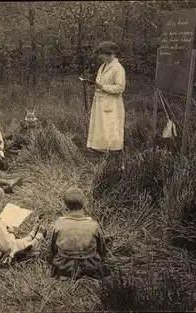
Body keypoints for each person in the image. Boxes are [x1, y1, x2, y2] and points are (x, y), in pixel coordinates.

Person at [50, 187, 109, 280]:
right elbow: (102, 250)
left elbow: (53, 250)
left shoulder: (58, 224)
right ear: (84, 203)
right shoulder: (94, 225)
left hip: (64, 269)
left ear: (65, 205)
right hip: (90, 269)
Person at [86, 41, 126, 169]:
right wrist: (94, 84)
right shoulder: (103, 66)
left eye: (102, 54)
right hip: (100, 102)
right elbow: (99, 82)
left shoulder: (118, 68)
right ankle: (103, 160)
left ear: (110, 54)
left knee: (111, 133)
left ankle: (115, 163)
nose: (101, 57)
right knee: (100, 132)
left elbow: (120, 88)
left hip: (111, 105)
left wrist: (102, 87)